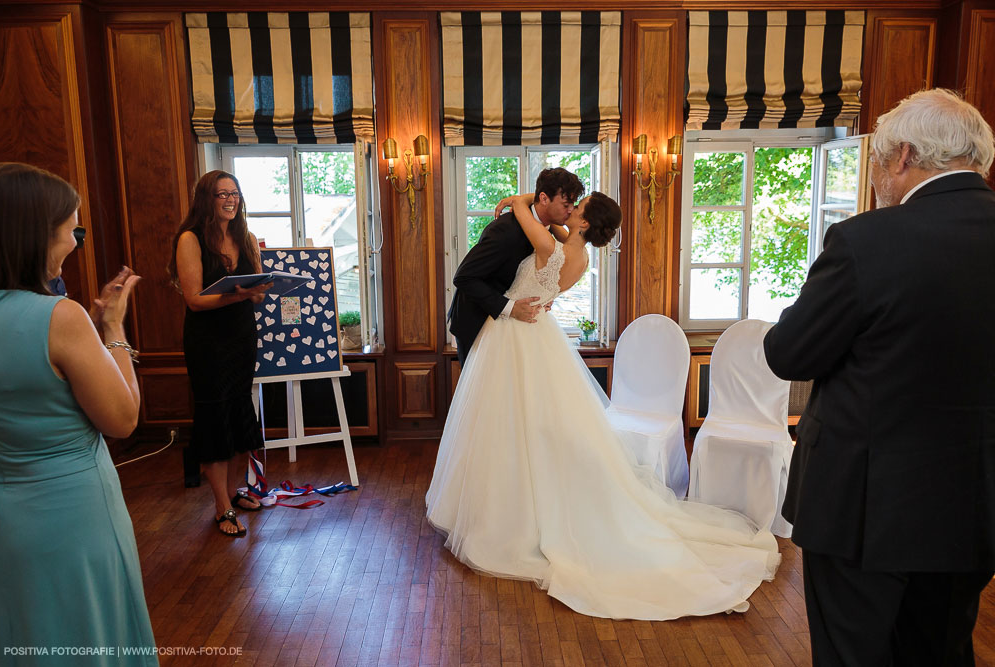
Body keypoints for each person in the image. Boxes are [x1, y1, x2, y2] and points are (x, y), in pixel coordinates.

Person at [426, 189, 781, 620]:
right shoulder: (577, 256)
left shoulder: (547, 244)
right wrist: (556, 222)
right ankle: (528, 502)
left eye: (576, 208)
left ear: (583, 223)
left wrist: (516, 201)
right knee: (529, 426)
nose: (569, 209)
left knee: (507, 425)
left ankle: (509, 518)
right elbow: (556, 237)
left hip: (515, 337)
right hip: (538, 337)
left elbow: (527, 217)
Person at [763, 88, 995, 666]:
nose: (874, 180)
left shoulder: (868, 241)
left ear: (902, 157)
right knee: (942, 651)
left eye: (873, 164)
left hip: (864, 506)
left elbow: (789, 353)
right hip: (977, 502)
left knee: (853, 655)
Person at [0, 162, 157, 662]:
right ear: (35, 236)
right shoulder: (60, 318)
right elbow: (123, 418)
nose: (75, 243)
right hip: (72, 520)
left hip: (8, 519)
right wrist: (111, 331)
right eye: (71, 231)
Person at [170, 170, 270, 537]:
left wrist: (260, 288)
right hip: (208, 341)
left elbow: (257, 293)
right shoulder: (190, 239)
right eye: (221, 194)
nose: (230, 199)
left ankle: (234, 491)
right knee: (215, 416)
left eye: (235, 193)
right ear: (206, 199)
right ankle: (220, 507)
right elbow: (194, 300)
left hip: (242, 336)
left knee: (240, 410)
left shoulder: (246, 238)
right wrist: (239, 294)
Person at [448, 167, 584, 367]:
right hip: (477, 324)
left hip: (511, 330)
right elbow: (464, 277)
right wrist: (510, 308)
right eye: (566, 204)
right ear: (544, 199)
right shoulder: (505, 230)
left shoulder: (547, 231)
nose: (571, 209)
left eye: (573, 204)